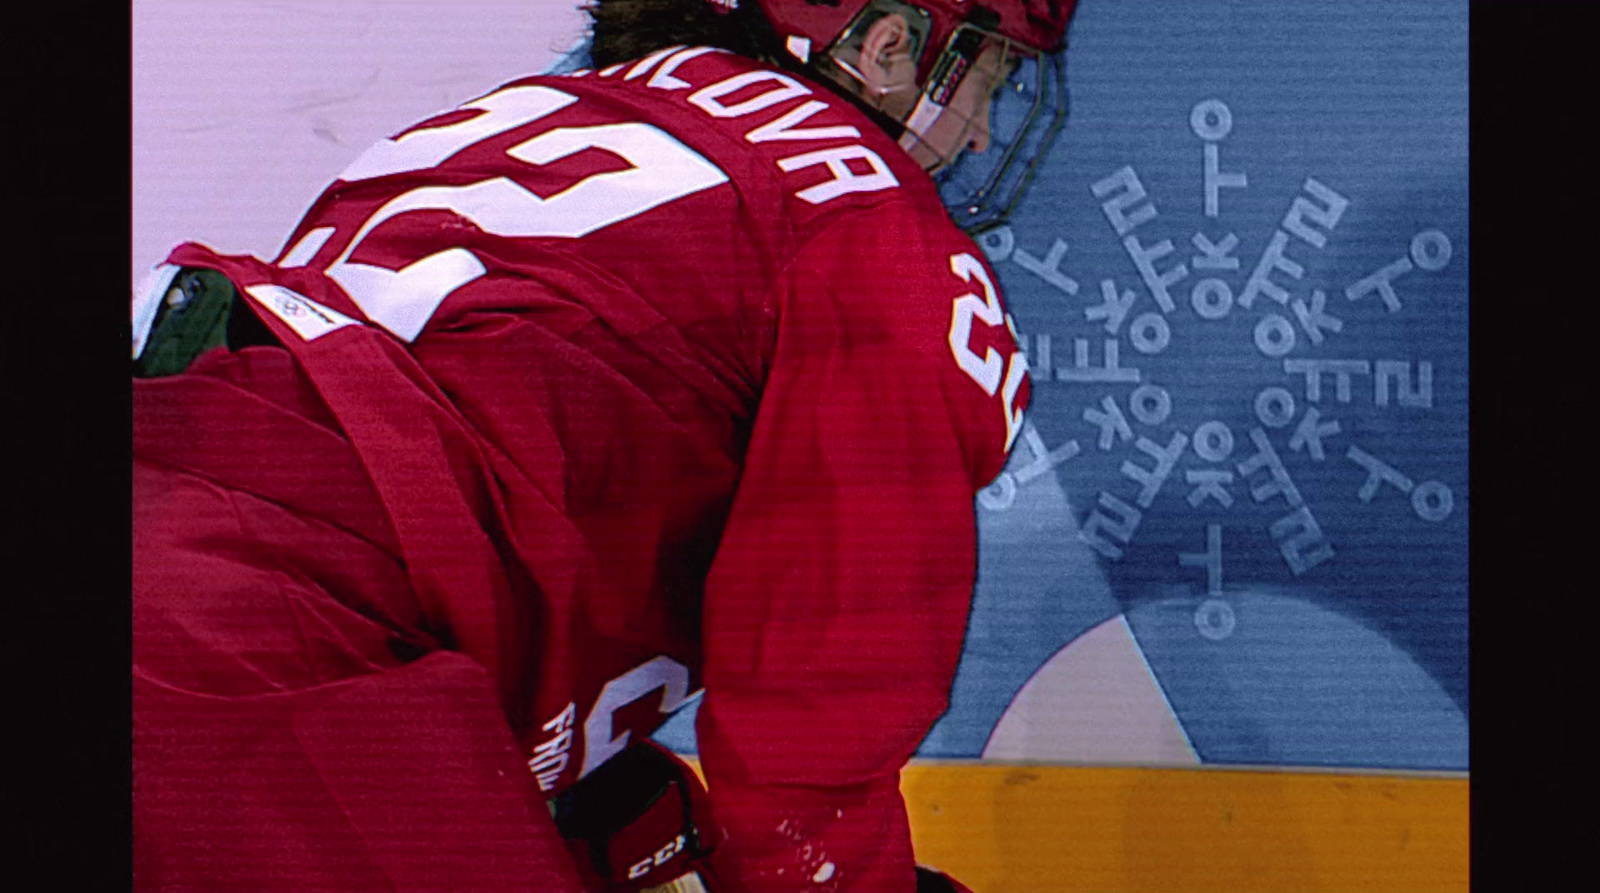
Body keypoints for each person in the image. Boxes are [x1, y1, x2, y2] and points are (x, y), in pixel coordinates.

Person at [131, 1, 1077, 891]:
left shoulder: (532, 109)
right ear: (887, 49)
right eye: (988, 83)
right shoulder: (871, 229)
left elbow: (394, 453)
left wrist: (583, 778)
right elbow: (809, 744)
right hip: (270, 652)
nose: (983, 135)